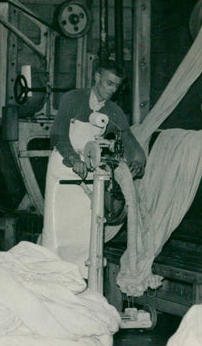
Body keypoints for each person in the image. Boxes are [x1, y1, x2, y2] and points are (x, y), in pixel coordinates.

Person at [40, 61, 146, 278]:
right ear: (97, 77)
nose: (112, 89)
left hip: (90, 170)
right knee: (57, 231)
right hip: (62, 168)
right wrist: (72, 158)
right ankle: (51, 277)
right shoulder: (73, 98)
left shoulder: (113, 111)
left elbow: (127, 137)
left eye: (116, 86)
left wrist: (138, 158)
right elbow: (58, 134)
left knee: (84, 233)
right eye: (108, 83)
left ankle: (81, 281)